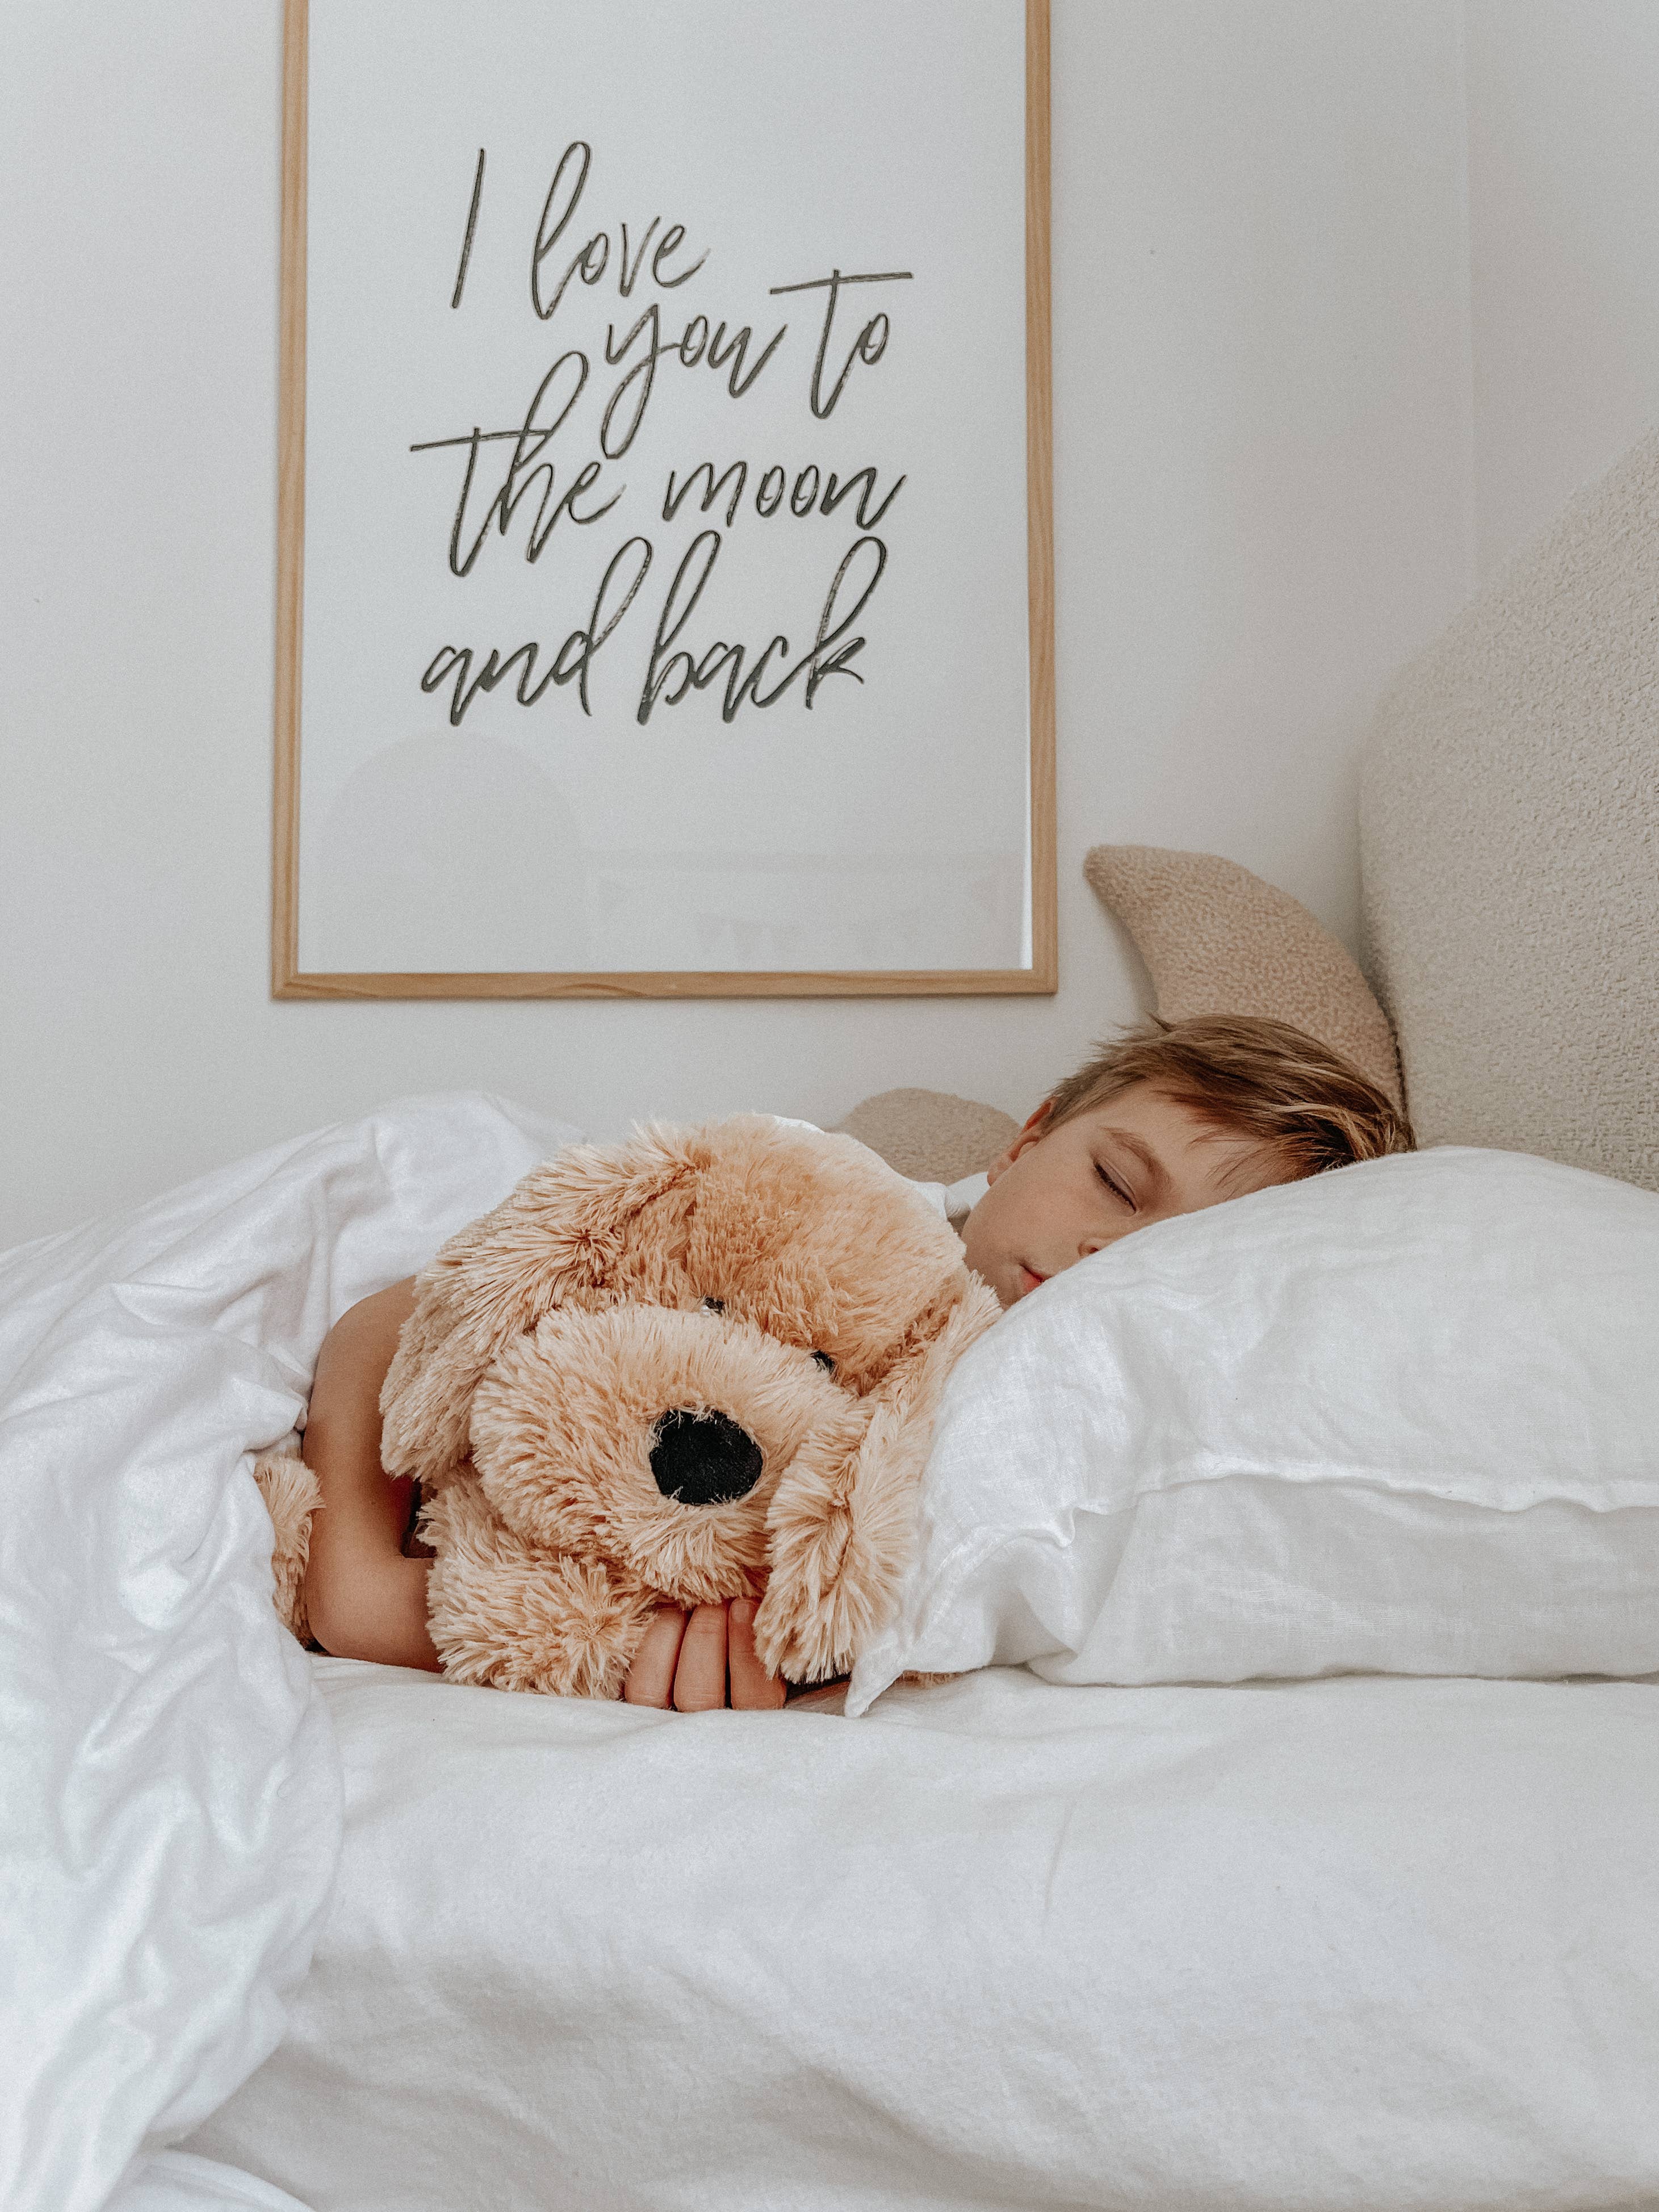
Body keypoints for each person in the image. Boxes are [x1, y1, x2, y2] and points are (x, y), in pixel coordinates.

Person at [299, 1015, 1412, 1711]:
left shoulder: (1077, 1445)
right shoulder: (814, 1209)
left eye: (1179, 1260)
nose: (1104, 1255)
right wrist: (364, 1586)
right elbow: (405, 1315)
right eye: (1117, 1183)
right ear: (1026, 1140)